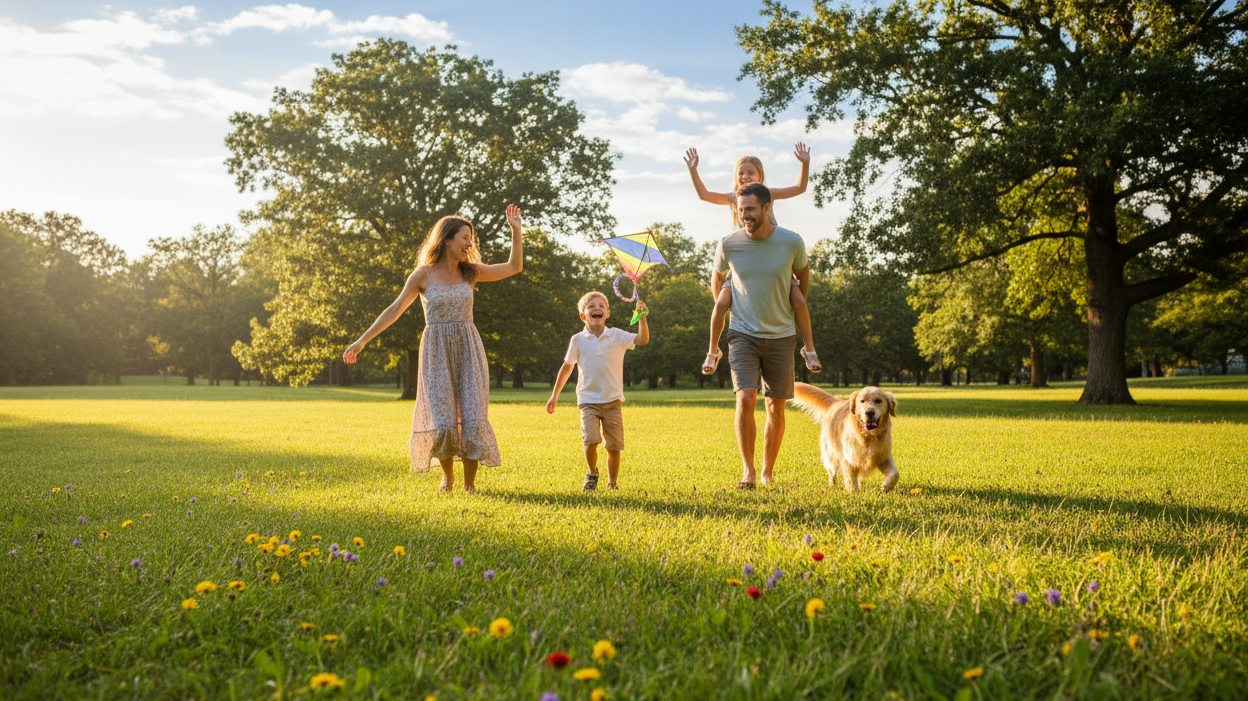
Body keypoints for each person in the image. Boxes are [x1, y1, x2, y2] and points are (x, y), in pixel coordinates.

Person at [343, 205, 525, 493]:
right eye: (465, 238)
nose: (469, 244)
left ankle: (469, 485)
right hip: (436, 353)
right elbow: (394, 310)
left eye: (470, 239)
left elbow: (514, 267)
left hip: (469, 350)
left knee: (473, 418)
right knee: (444, 421)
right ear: (447, 239)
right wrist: (362, 340)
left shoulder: (471, 272)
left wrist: (516, 230)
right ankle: (447, 477)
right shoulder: (422, 276)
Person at [685, 144, 821, 376]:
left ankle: (809, 349)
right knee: (721, 303)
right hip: (744, 264)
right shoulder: (733, 198)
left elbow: (800, 187)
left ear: (760, 176)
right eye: (741, 173)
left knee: (799, 300)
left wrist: (805, 163)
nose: (745, 176)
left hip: (773, 262)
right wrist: (693, 170)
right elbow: (704, 195)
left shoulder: (767, 194)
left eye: (750, 172)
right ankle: (713, 350)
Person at [712, 183, 810, 488]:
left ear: (767, 208)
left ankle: (767, 472)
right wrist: (728, 307)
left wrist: (790, 305)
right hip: (742, 333)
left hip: (781, 334)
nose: (745, 215)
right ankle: (749, 472)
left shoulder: (791, 242)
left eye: (751, 209)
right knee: (745, 397)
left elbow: (802, 275)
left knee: (775, 406)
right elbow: (717, 278)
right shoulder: (729, 244)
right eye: (741, 210)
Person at [546, 291, 649, 492]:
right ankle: (592, 473)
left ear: (607, 313)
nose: (597, 308)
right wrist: (554, 395)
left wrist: (642, 318)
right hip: (588, 401)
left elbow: (642, 340)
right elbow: (567, 367)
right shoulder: (577, 340)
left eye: (601, 306)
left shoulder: (617, 335)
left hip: (612, 401)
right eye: (591, 306)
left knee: (614, 446)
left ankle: (612, 484)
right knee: (590, 441)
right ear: (583, 315)